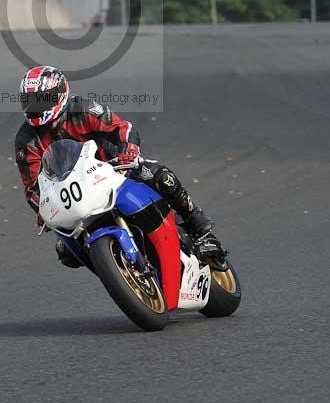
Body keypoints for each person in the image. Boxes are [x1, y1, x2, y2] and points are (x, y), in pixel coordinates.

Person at [15, 65, 226, 268]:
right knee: (66, 251)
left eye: (41, 100)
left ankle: (198, 225)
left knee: (159, 176)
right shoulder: (26, 140)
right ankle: (115, 268)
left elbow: (122, 128)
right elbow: (33, 187)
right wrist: (42, 207)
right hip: (74, 197)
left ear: (59, 94)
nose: (35, 107)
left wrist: (130, 149)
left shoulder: (82, 108)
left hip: (115, 170)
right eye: (30, 101)